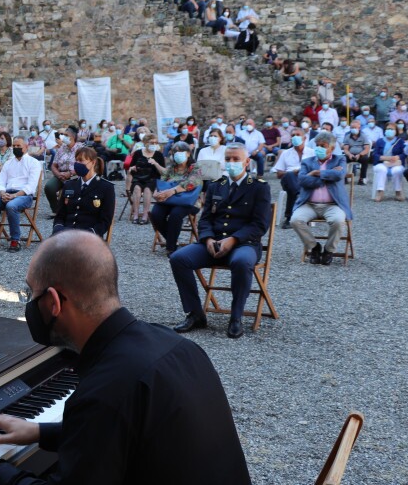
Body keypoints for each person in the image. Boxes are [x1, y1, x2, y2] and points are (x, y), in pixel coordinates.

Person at [0, 230, 258, 485]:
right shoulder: (173, 345)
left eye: (30, 293)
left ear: (54, 302)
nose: (29, 302)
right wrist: (41, 432)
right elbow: (123, 435)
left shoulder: (108, 389)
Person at [171, 144, 271, 339]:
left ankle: (236, 317)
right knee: (178, 259)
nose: (231, 163)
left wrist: (233, 239)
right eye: (228, 159)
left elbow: (259, 225)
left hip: (244, 244)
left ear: (247, 162)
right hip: (213, 243)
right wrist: (207, 239)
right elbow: (205, 218)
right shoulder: (218, 184)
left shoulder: (259, 187)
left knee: (241, 262)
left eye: (236, 159)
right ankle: (195, 314)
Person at [290, 132, 352, 266]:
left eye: (323, 146)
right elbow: (302, 180)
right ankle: (314, 247)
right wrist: (326, 178)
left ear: (332, 147)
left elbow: (339, 175)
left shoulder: (339, 159)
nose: (319, 148)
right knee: (295, 220)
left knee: (338, 220)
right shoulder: (307, 161)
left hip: (333, 204)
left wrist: (315, 173)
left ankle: (329, 250)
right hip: (309, 204)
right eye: (317, 145)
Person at [0, 137, 43, 252]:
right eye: (14, 146)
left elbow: (31, 186)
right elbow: (1, 182)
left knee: (11, 206)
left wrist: (14, 196)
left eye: (19, 146)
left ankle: (15, 240)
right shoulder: (8, 163)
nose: (16, 148)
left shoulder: (34, 163)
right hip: (6, 194)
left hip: (24, 196)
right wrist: (2, 193)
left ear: (26, 147)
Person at [51, 146, 114, 238]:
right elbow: (60, 215)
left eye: (81, 160)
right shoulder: (69, 185)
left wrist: (90, 234)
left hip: (88, 236)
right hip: (66, 233)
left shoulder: (105, 187)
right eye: (76, 160)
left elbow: (105, 221)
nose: (77, 163)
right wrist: (58, 228)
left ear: (93, 162)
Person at [127, 133, 165, 225]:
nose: (154, 144)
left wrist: (155, 163)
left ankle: (145, 215)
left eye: (156, 143)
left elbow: (164, 172)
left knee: (148, 190)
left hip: (152, 178)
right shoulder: (138, 153)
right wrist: (132, 168)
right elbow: (131, 168)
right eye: (152, 142)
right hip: (138, 177)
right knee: (136, 188)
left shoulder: (158, 155)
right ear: (145, 143)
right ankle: (135, 214)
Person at [273, 128, 307, 228]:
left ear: (304, 138)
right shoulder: (286, 153)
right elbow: (278, 174)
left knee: (294, 189)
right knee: (291, 177)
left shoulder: (312, 152)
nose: (295, 137)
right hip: (288, 181)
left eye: (298, 134)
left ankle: (289, 217)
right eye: (293, 135)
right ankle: (298, 197)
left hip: (306, 181)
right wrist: (293, 172)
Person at [44, 130, 79, 214]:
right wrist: (58, 174)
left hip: (75, 175)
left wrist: (70, 173)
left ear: (73, 137)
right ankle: (56, 210)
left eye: (66, 135)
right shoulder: (61, 148)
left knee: (71, 189)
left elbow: (83, 165)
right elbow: (53, 165)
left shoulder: (80, 149)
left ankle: (72, 210)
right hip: (60, 174)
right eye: (63, 135)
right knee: (49, 187)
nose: (63, 137)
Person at [371, 126, 407, 202]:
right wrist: (384, 158)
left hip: (396, 163)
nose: (389, 131)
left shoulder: (400, 141)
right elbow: (374, 154)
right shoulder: (379, 141)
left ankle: (398, 192)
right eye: (387, 129)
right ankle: (380, 192)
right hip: (381, 163)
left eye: (391, 129)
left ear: (396, 131)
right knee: (382, 169)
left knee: (397, 171)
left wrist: (397, 157)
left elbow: (405, 154)